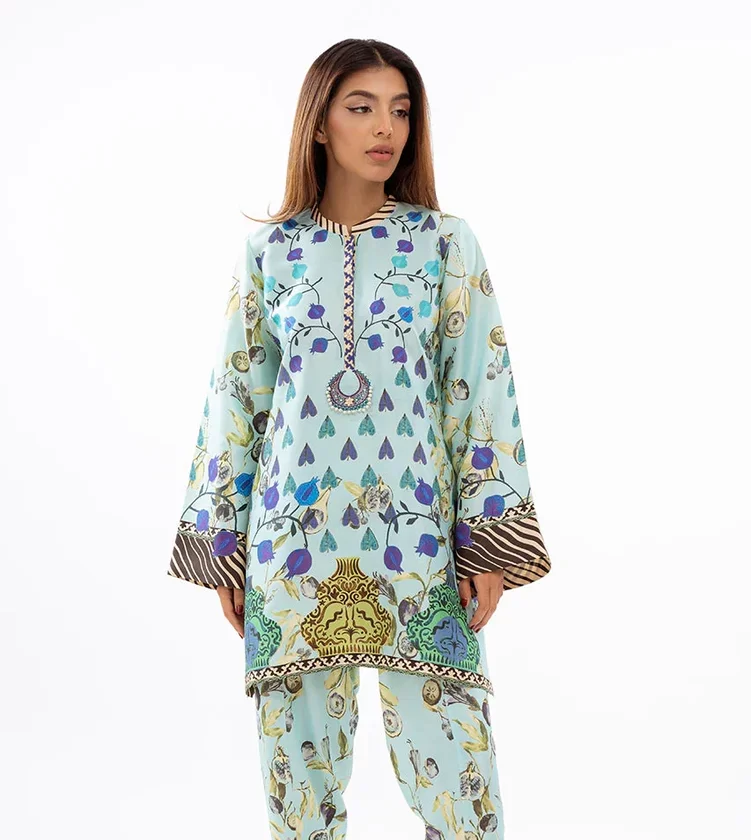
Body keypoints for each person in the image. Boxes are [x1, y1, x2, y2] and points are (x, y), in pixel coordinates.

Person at [166, 37, 552, 840]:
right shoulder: (270, 252)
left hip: (418, 543)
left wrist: (486, 542)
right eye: (361, 107)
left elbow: (479, 392)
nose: (385, 128)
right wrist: (223, 547)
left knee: (460, 780)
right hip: (291, 546)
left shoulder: (445, 244)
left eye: (400, 111)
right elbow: (237, 399)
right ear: (319, 123)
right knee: (298, 791)